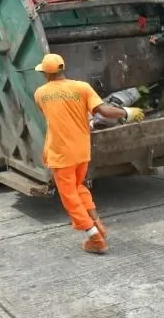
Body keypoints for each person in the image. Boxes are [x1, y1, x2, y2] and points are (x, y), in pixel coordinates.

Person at [33, 53, 145, 254]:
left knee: (69, 196)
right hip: (81, 150)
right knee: (79, 188)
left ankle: (94, 236)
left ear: (45, 73)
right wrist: (127, 113)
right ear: (62, 68)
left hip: (60, 153)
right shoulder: (82, 87)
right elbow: (103, 111)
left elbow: (56, 117)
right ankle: (97, 223)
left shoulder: (40, 93)